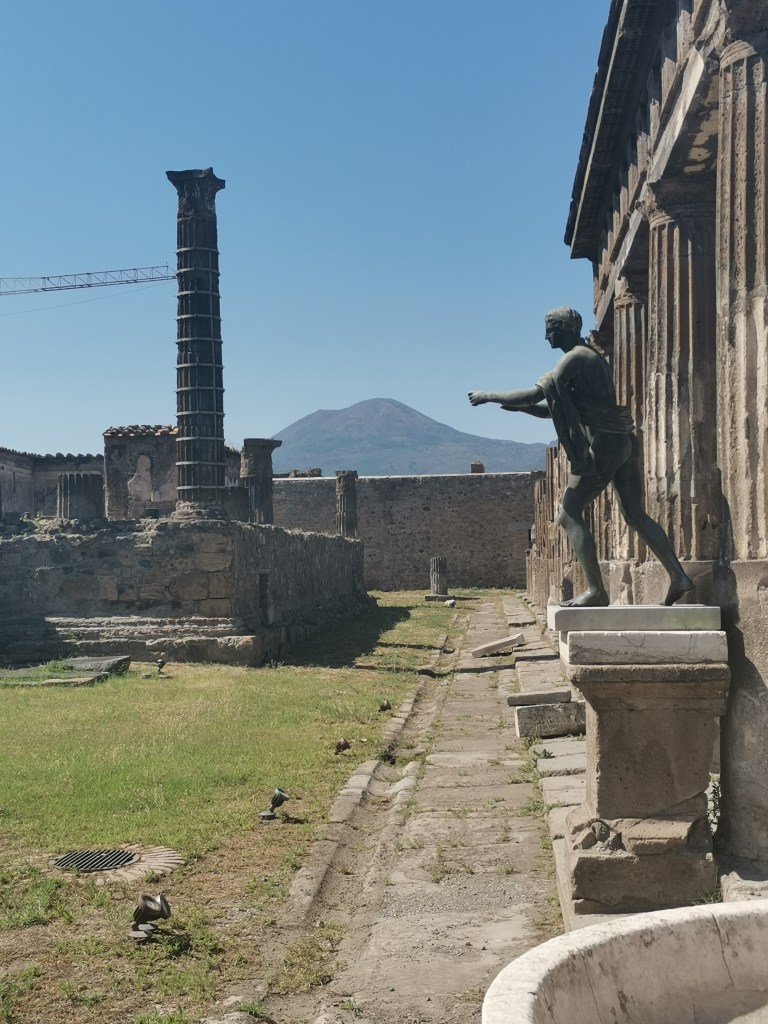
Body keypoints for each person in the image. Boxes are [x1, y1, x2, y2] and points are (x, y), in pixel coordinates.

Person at [468, 307, 693, 607]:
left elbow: (536, 396)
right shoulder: (590, 358)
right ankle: (679, 576)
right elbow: (550, 408)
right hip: (621, 442)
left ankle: (596, 591)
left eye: (551, 328)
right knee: (634, 515)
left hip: (603, 445)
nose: (546, 335)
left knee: (568, 513)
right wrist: (519, 407)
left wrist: (488, 396)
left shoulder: (574, 357)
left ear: (566, 329)